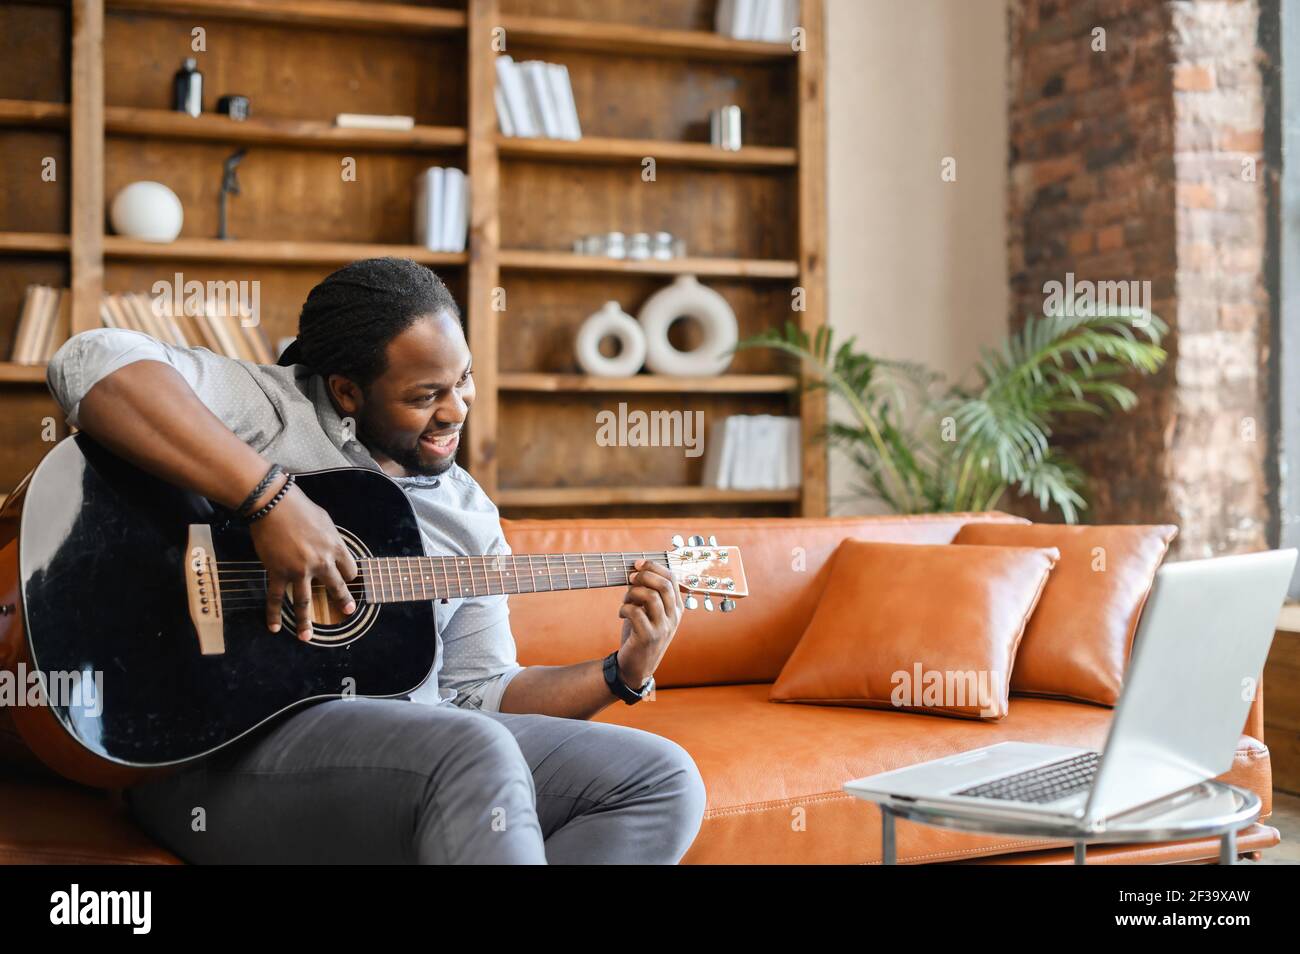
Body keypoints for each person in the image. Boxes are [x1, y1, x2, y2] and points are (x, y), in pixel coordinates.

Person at [44, 257, 707, 864]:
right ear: (347, 391)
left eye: (465, 378)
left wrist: (622, 672)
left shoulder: (467, 514)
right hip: (212, 750)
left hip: (408, 757)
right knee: (472, 752)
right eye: (425, 396)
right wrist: (270, 501)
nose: (457, 409)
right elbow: (91, 361)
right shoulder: (272, 409)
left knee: (660, 780)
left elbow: (478, 696)